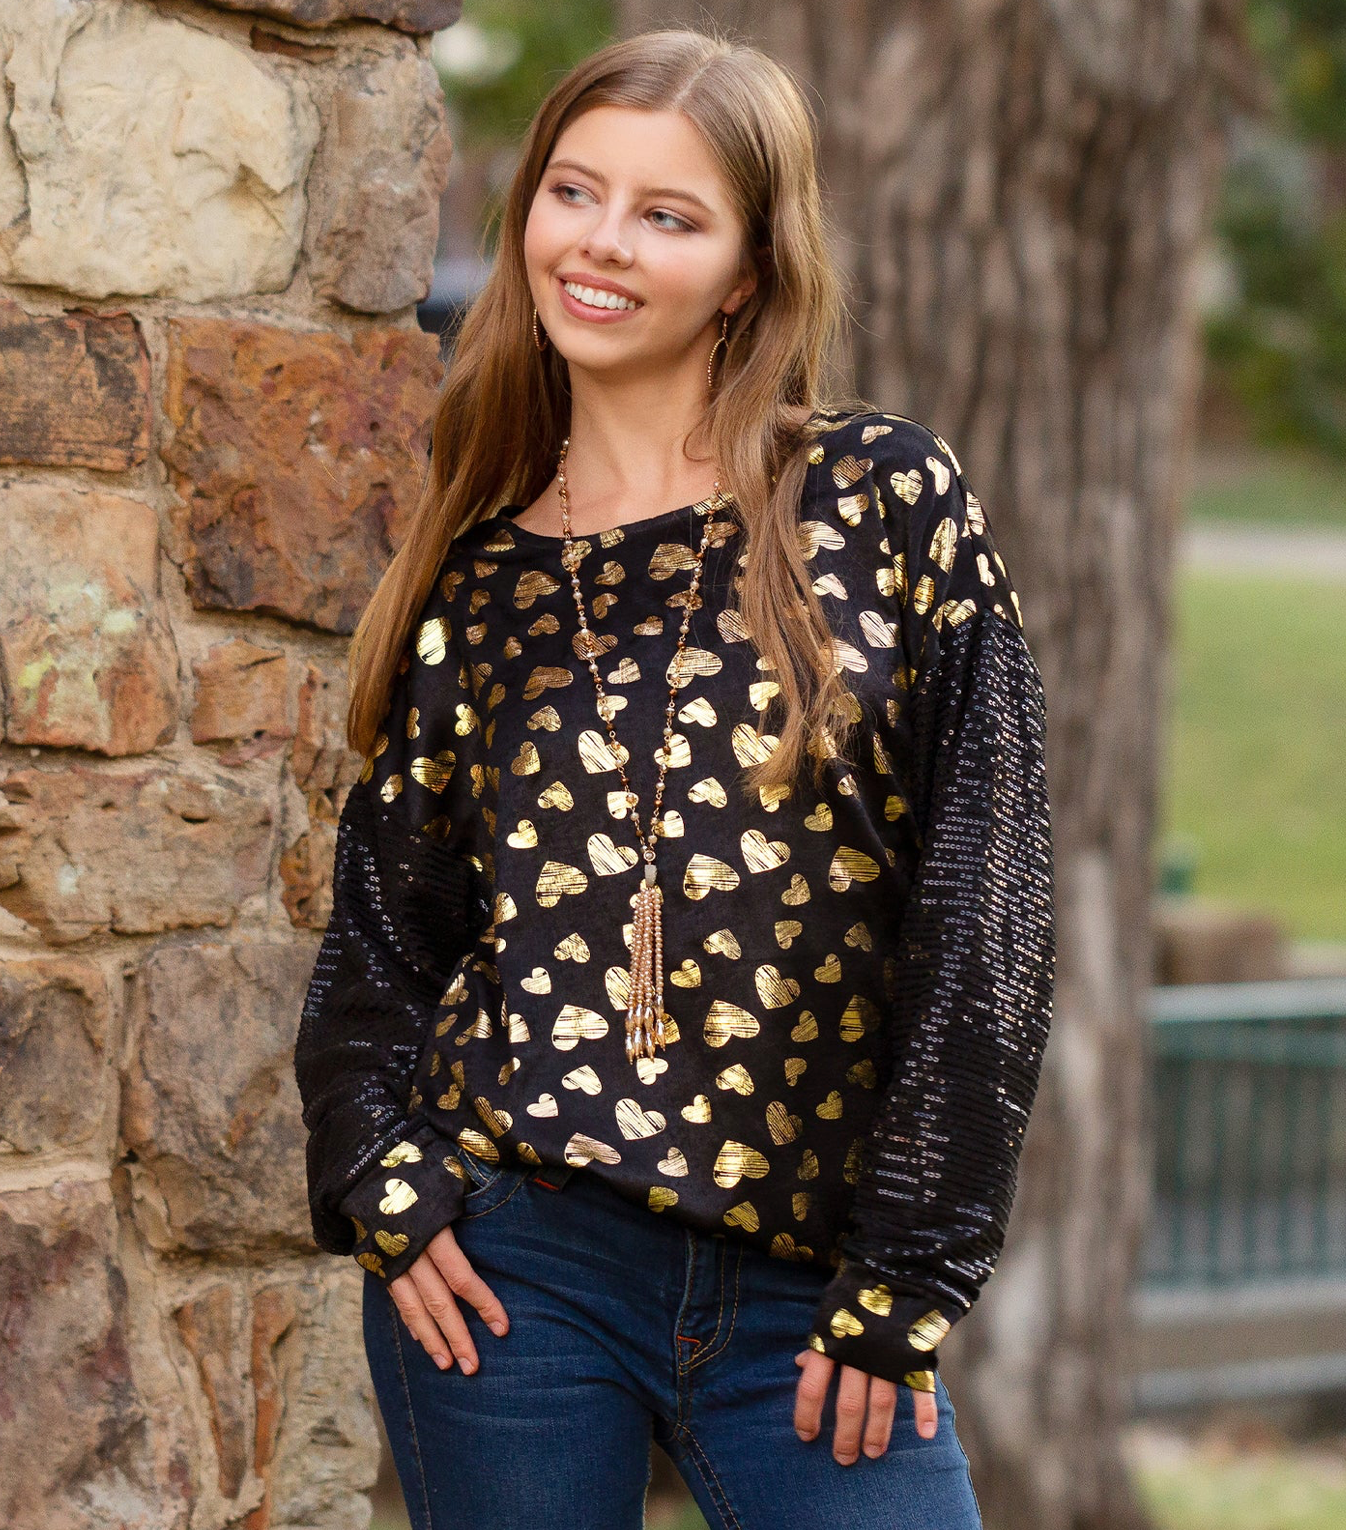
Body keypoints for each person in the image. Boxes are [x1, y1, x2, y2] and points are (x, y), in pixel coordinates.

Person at [293, 25, 1056, 1530]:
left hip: (815, 1291)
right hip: (518, 1279)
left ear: (752, 268)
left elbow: (993, 898)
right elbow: (382, 935)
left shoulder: (881, 500)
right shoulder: (478, 571)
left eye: (669, 214)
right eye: (576, 192)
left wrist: (914, 1262)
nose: (603, 244)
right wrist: (380, 1172)